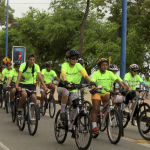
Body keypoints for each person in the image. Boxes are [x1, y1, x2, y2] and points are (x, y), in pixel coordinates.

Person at [91, 58, 128, 133]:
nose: (105, 66)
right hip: (97, 92)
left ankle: (106, 112)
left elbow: (117, 79)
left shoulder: (109, 73)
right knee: (95, 108)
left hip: (106, 92)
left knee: (111, 99)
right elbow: (93, 81)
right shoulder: (96, 73)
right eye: (103, 65)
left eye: (106, 65)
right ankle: (94, 126)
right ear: (99, 66)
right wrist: (93, 85)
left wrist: (123, 86)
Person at [57, 50, 95, 121]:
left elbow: (85, 75)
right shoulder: (65, 65)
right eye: (73, 59)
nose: (75, 60)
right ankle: (62, 112)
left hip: (73, 89)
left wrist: (91, 82)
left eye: (76, 59)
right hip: (63, 87)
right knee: (66, 92)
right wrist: (65, 81)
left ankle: (72, 121)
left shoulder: (78, 65)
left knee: (77, 105)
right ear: (68, 59)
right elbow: (63, 73)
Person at [16, 53, 48, 118]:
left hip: (31, 84)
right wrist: (17, 85)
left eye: (33, 60)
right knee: (24, 95)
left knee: (34, 98)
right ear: (27, 60)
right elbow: (19, 75)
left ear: (35, 60)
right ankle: (19, 109)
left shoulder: (36, 66)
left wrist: (44, 86)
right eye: (30, 59)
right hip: (22, 83)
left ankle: (32, 117)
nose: (32, 61)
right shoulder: (23, 65)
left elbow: (39, 76)